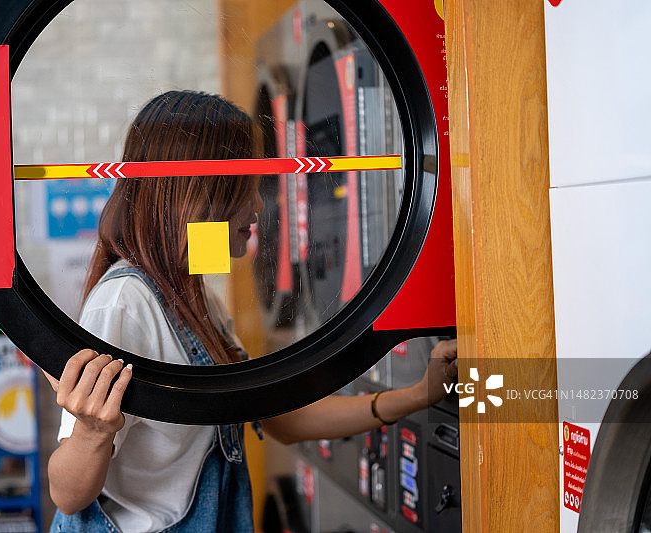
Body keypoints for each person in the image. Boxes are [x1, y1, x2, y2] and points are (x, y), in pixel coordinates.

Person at [43, 90, 458, 533]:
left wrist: (417, 395)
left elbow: (280, 416)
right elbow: (68, 495)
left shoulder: (195, 293)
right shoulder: (124, 304)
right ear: (200, 192)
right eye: (246, 184)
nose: (259, 205)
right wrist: (91, 432)